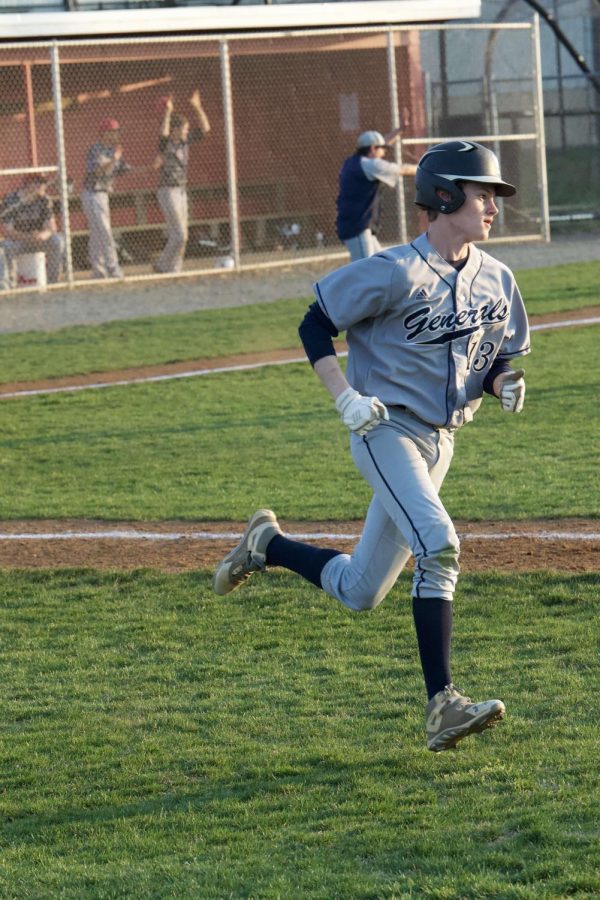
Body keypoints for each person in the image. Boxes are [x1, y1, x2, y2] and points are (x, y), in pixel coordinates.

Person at [213, 140, 530, 753]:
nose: (492, 205)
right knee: (439, 546)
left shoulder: (496, 275)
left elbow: (497, 353)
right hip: (386, 431)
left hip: (441, 442)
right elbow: (314, 321)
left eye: (493, 196)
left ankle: (266, 545)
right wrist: (342, 395)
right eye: (481, 192)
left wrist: (501, 381)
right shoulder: (393, 270)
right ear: (443, 196)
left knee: (360, 590)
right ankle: (443, 705)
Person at [336, 128, 417, 261]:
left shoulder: (352, 162)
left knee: (383, 263)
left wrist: (400, 130)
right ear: (373, 149)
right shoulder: (371, 165)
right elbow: (404, 169)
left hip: (356, 225)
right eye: (382, 149)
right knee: (365, 269)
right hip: (357, 227)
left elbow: (380, 144)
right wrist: (427, 168)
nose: (384, 152)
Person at [153, 90, 211, 274]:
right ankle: (162, 265)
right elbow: (163, 135)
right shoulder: (167, 143)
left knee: (180, 234)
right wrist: (168, 112)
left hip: (181, 190)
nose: (187, 131)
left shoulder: (185, 142)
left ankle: (175, 268)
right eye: (183, 129)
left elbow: (205, 129)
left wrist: (197, 107)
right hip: (168, 191)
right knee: (180, 235)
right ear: (175, 130)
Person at [80, 117, 132, 279]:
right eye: (114, 132)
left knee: (97, 234)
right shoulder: (95, 149)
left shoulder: (114, 150)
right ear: (105, 133)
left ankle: (98, 271)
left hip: (104, 195)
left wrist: (127, 167)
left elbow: (120, 168)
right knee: (105, 232)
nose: (117, 135)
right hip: (92, 193)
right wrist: (114, 159)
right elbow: (95, 171)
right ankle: (113, 268)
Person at [0, 173, 65, 286]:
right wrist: (29, 237)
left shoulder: (44, 200)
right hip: (19, 241)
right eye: (40, 183)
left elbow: (52, 227)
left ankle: (53, 282)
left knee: (57, 241)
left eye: (44, 183)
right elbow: (7, 232)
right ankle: (8, 285)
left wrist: (42, 235)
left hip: (38, 240)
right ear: (29, 184)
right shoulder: (11, 200)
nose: (43, 186)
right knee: (6, 246)